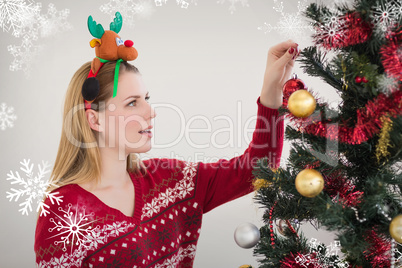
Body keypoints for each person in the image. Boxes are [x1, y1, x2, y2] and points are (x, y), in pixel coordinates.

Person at [34, 11, 299, 268]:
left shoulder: (169, 180)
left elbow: (257, 169)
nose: (151, 112)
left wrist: (271, 89)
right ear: (95, 120)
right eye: (132, 103)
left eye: (146, 99)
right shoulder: (62, 214)